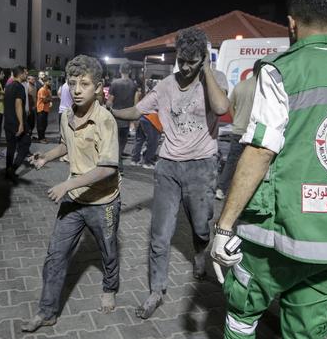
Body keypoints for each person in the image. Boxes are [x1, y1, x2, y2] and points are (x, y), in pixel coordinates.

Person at [210, 0, 327, 338]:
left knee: (243, 315)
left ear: (291, 23)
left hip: (276, 234)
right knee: (309, 330)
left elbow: (261, 150)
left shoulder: (280, 71)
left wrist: (224, 227)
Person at [111, 27, 230, 319]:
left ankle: (199, 253)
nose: (186, 68)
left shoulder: (214, 81)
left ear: (203, 58)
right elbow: (138, 111)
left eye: (193, 62)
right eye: (182, 61)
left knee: (202, 226)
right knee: (159, 234)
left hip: (201, 167)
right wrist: (109, 110)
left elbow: (221, 107)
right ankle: (156, 290)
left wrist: (207, 71)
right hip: (167, 167)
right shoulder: (165, 85)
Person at [21, 55, 121, 332]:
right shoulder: (66, 116)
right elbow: (66, 145)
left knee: (109, 250)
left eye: (84, 84)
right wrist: (46, 157)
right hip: (74, 201)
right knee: (55, 255)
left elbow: (108, 168)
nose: (77, 90)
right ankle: (47, 311)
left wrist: (66, 185)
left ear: (98, 87)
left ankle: (110, 287)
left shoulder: (105, 121)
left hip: (103, 202)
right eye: (72, 83)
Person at [215, 60, 263, 200]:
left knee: (231, 162)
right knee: (252, 164)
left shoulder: (240, 85)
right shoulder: (262, 89)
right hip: (254, 132)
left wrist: (236, 118)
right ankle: (246, 195)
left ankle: (221, 189)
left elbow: (230, 104)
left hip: (238, 130)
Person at [3, 66, 32, 180]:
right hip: (16, 123)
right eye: (25, 73)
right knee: (25, 144)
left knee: (10, 147)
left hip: (8, 122)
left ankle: (7, 170)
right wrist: (21, 124)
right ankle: (12, 169)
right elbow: (18, 105)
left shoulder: (8, 86)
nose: (27, 75)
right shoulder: (19, 87)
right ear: (20, 74)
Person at [107, 63, 136, 171]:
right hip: (127, 117)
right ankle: (118, 164)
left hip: (115, 116)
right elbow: (135, 103)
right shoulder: (133, 85)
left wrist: (106, 107)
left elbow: (110, 101)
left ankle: (118, 166)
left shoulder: (115, 83)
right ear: (130, 71)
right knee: (122, 143)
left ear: (120, 71)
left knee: (114, 142)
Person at [36, 77, 52, 143]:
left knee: (45, 124)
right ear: (45, 82)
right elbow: (45, 100)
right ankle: (40, 138)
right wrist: (49, 98)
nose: (50, 83)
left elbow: (50, 98)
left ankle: (43, 137)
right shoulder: (42, 90)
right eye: (49, 81)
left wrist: (48, 98)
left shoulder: (48, 90)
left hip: (46, 109)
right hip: (41, 109)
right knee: (41, 125)